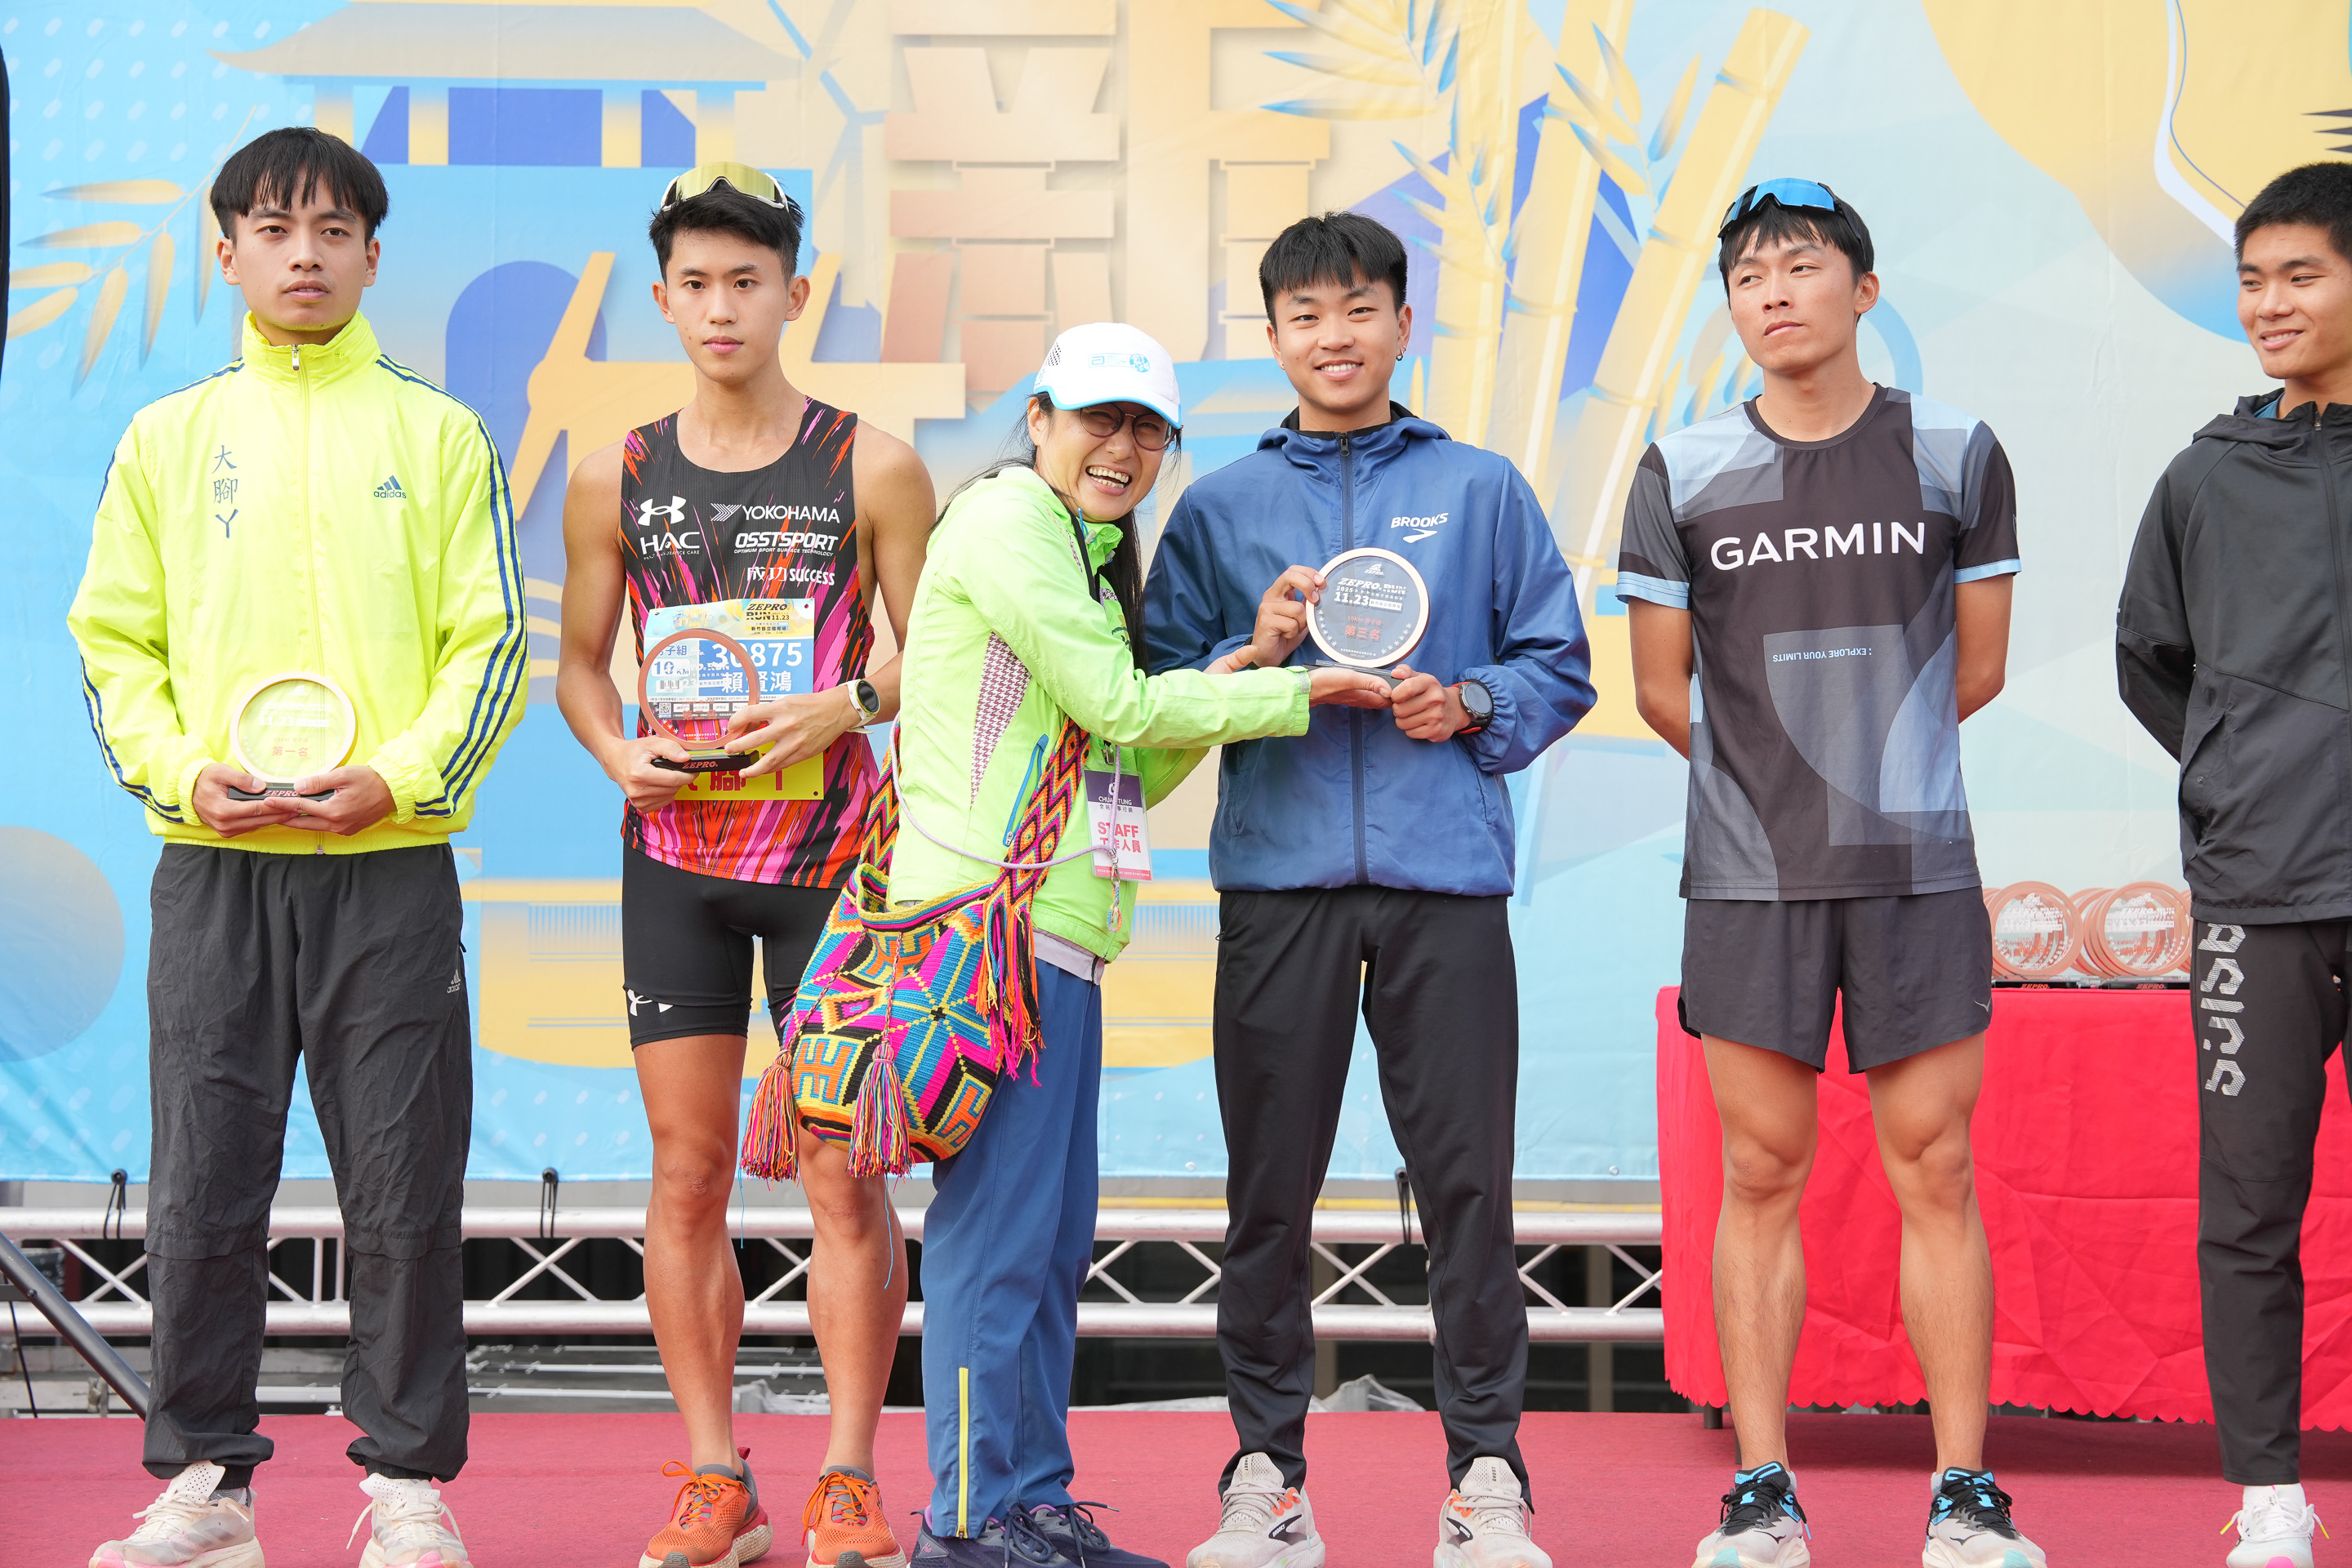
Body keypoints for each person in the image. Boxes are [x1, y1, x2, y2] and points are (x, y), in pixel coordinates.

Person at [69, 127, 524, 1568]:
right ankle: (208, 1482)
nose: (305, 255)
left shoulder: (440, 435)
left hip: (387, 864)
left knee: (403, 1182)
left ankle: (408, 1486)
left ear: (375, 257)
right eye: (273, 230)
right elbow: (114, 645)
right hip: (214, 863)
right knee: (204, 1180)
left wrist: (397, 781)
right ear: (227, 254)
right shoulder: (168, 438)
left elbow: (491, 644)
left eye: (333, 231)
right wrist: (178, 774)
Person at [875, 322, 1390, 1568]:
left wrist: (1249, 662)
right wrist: (1293, 691)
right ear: (1039, 418)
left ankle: (1031, 1503)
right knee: (995, 1243)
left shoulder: (1088, 555)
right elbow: (1118, 703)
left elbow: (1129, 766)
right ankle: (966, 1517)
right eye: (1098, 420)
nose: (1122, 448)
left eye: (1148, 430)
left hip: (1054, 941)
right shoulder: (1008, 519)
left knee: (1051, 1248)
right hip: (985, 936)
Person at [1143, 211, 1592, 1568]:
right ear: (1273, 336)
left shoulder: (1483, 488)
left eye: (1357, 311)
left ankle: (1488, 1479)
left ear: (1403, 323)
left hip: (1442, 880)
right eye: (1305, 316)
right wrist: (1257, 647)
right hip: (1277, 883)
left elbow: (1557, 662)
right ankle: (1267, 1478)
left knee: (1469, 1191)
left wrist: (1471, 704)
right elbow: (1157, 694)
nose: (1332, 338)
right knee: (1267, 1195)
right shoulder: (1220, 507)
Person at [1615, 180, 2036, 1568]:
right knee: (1759, 1168)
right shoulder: (1682, 469)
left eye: (1801, 267)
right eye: (1748, 277)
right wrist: (1782, 788)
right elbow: (1662, 692)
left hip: (1916, 866)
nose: (1774, 293)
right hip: (1750, 874)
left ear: (1864, 289)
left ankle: (1965, 1492)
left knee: (1936, 1164)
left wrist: (1864, 774)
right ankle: (1761, 1489)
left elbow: (1979, 668)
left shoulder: (1957, 452)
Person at [555, 163, 934, 1568]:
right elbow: (577, 665)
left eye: (748, 282)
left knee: (841, 1172)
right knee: (687, 1172)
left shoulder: (872, 464)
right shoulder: (615, 473)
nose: (722, 307)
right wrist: (615, 750)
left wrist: (849, 705)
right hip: (676, 860)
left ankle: (848, 1475)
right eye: (697, 285)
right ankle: (717, 1477)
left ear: (795, 293)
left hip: (833, 862)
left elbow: (938, 653)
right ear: (663, 301)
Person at [2118, 160, 2352, 1568]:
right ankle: (2270, 1498)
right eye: (2253, 279)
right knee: (2250, 1212)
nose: (2268, 303)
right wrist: (2238, 779)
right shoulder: (2204, 475)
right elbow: (2154, 662)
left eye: (2301, 275)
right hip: (2258, 903)